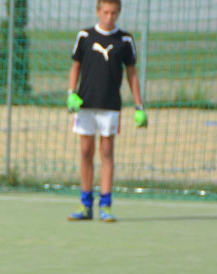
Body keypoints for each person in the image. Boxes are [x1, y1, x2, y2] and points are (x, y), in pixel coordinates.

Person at [66, 0, 146, 223]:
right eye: (106, 12)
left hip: (110, 105)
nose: (109, 17)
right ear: (98, 12)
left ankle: (106, 205)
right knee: (85, 151)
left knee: (107, 151)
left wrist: (139, 106)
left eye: (114, 13)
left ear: (118, 13)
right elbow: (75, 67)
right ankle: (85, 204)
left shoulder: (125, 40)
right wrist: (70, 93)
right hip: (85, 104)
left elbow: (132, 74)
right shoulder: (85, 36)